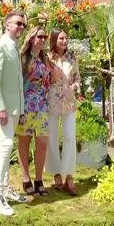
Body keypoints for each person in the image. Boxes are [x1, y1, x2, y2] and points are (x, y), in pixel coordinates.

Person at [0, 10, 28, 217]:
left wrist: (19, 109)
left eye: (24, 25)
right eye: (18, 23)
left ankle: (4, 189)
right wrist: (0, 107)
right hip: (4, 108)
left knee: (8, 146)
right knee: (5, 147)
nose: (21, 27)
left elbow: (16, 82)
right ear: (7, 25)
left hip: (13, 108)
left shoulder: (13, 47)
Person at [16, 26, 50, 196]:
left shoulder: (45, 59)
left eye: (45, 37)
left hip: (42, 107)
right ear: (31, 39)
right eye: (40, 36)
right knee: (24, 142)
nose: (43, 39)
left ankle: (39, 179)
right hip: (26, 107)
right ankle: (25, 178)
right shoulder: (22, 58)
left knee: (42, 144)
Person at [46, 29, 80, 196]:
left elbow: (77, 79)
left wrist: (73, 88)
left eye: (66, 38)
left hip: (68, 102)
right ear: (54, 40)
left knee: (69, 137)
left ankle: (69, 175)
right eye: (61, 38)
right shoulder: (47, 58)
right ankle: (56, 172)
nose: (65, 41)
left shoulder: (72, 58)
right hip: (51, 102)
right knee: (52, 137)